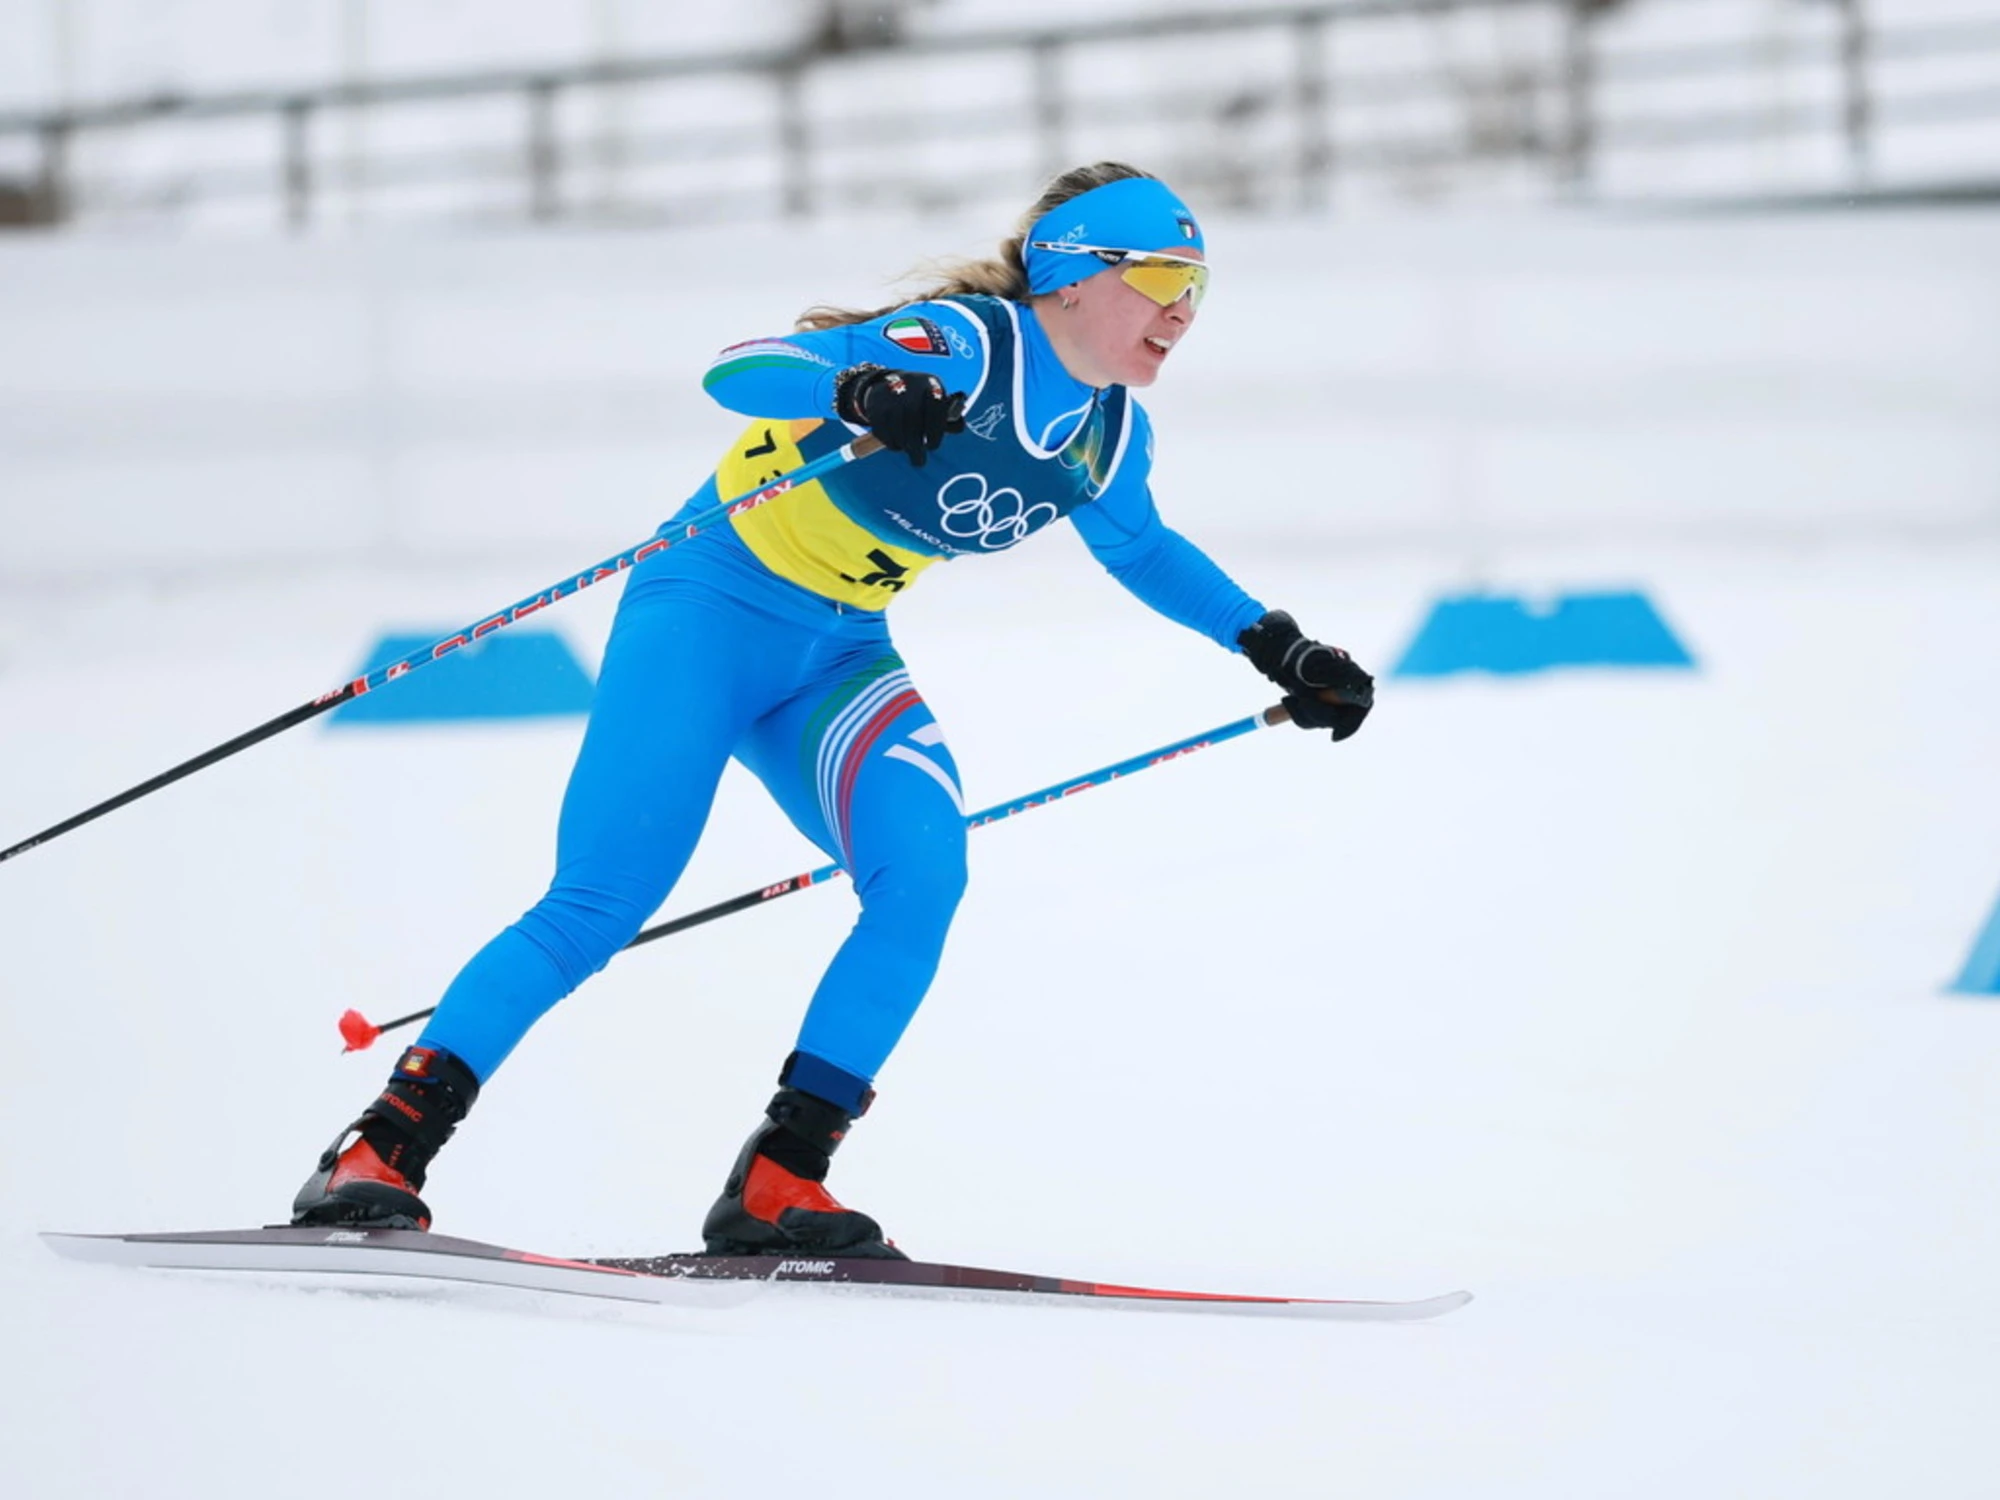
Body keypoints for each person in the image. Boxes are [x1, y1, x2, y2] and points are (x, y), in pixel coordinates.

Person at [290, 162, 1375, 1259]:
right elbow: (740, 373)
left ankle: (778, 1177)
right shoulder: (962, 341)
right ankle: (380, 1150)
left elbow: (1143, 549)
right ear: (1069, 277)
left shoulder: (1106, 435)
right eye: (1159, 275)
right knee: (600, 902)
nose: (1182, 309)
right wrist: (854, 387)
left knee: (923, 875)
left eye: (1199, 286)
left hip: (837, 654)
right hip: (705, 610)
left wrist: (1279, 647)